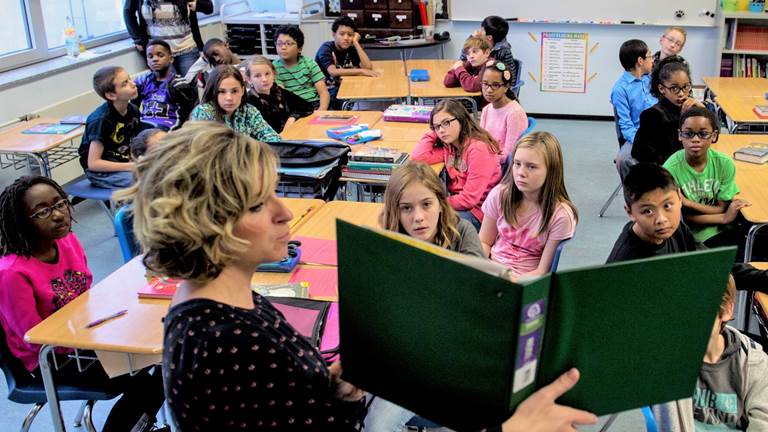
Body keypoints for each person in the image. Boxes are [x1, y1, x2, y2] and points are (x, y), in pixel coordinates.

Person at [117, 121, 596, 431]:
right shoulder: (222, 338)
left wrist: (332, 390)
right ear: (211, 221)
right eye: (262, 203)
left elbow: (282, 405)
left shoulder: (230, 305)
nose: (287, 212)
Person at [0, 175, 164, 432]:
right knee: (153, 373)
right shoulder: (11, 273)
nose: (57, 215)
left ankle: (138, 424)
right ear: (22, 221)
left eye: (60, 203)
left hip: (86, 338)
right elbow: (33, 339)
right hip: (50, 362)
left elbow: (85, 297)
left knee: (164, 355)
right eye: (42, 211)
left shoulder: (66, 241)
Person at [606, 163, 767, 291]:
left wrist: (762, 278)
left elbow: (714, 266)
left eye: (668, 205)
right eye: (648, 211)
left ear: (679, 198)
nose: (661, 219)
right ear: (630, 212)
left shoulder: (675, 230)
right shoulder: (626, 266)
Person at [478, 132, 578, 279]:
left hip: (525, 281)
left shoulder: (561, 216)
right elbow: (484, 241)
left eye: (531, 167)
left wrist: (511, 282)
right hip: (492, 271)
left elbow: (542, 271)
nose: (521, 173)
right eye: (517, 164)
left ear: (551, 171)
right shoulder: (499, 195)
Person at [663, 106, 751, 248]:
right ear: (680, 135)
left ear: (714, 136)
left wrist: (689, 203)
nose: (695, 140)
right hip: (692, 235)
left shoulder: (724, 164)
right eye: (688, 134)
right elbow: (686, 219)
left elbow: (721, 207)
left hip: (725, 227)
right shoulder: (670, 170)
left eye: (703, 134)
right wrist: (724, 218)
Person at [411, 99, 501, 231]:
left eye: (446, 123)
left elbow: (470, 199)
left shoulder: (479, 149)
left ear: (461, 119)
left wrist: (437, 204)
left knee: (426, 223)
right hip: (460, 204)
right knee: (415, 219)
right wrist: (433, 133)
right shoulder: (450, 146)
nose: (441, 130)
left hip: (479, 213)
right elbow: (419, 157)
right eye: (437, 126)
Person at [632, 56, 704, 165]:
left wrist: (703, 112)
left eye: (686, 87)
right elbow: (669, 152)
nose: (681, 93)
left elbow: (712, 136)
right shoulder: (652, 115)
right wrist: (682, 121)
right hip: (665, 171)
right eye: (674, 88)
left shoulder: (690, 107)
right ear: (662, 89)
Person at [78, 66, 142, 189]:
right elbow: (93, 163)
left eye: (129, 79)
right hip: (101, 172)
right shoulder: (101, 120)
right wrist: (131, 166)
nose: (133, 84)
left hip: (125, 163)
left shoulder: (133, 110)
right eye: (125, 84)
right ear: (111, 95)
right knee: (143, 183)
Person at [190, 65, 281, 142]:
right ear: (213, 92)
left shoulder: (248, 111)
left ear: (242, 90)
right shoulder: (203, 112)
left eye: (234, 91)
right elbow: (208, 151)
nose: (229, 98)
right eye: (221, 91)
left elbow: (273, 139)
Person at [123, 0, 213, 76]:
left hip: (187, 50)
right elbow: (128, 11)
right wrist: (138, 39)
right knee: (168, 92)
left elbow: (209, 7)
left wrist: (197, 4)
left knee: (190, 91)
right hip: (158, 53)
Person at [133, 39, 197, 131]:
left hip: (168, 129)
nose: (155, 59)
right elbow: (133, 108)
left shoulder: (179, 84)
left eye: (160, 55)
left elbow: (189, 114)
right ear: (147, 61)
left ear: (171, 59)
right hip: (145, 127)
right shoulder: (142, 81)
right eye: (150, 57)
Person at [314, 16, 378, 107]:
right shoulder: (326, 48)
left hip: (340, 86)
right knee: (349, 101)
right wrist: (361, 71)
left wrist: (356, 43)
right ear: (334, 34)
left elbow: (367, 67)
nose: (346, 38)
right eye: (342, 34)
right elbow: (332, 71)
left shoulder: (350, 49)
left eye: (350, 35)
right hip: (325, 91)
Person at [245, 55, 314, 134]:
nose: (264, 79)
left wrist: (292, 118)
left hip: (288, 137)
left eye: (267, 74)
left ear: (274, 74)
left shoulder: (278, 91)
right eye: (258, 76)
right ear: (249, 79)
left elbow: (307, 106)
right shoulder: (249, 102)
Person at [610, 39, 657, 147]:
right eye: (650, 56)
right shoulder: (620, 90)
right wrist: (642, 143)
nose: (652, 60)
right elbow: (626, 126)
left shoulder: (650, 79)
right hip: (641, 137)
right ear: (640, 61)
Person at [480, 60, 528, 163]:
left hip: (500, 165)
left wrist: (484, 159)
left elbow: (510, 153)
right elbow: (482, 141)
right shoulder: (486, 110)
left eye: (496, 85)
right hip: (488, 159)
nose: (489, 90)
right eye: (485, 84)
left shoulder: (514, 113)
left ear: (506, 87)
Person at [273, 25, 330, 110]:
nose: (283, 47)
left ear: (299, 48)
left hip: (313, 103)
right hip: (291, 106)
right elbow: (281, 94)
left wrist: (321, 110)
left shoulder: (309, 64)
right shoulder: (274, 68)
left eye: (289, 44)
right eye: (279, 44)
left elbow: (323, 92)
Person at [460, 16, 516, 84]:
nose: (479, 31)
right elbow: (462, 59)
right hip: (474, 82)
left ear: (489, 37)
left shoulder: (504, 51)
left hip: (492, 87)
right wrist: (471, 39)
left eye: (482, 30)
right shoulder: (477, 42)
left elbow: (510, 76)